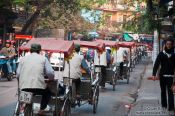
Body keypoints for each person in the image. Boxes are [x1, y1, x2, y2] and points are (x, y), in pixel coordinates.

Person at [17, 44, 54, 114]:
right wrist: (51, 79)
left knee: (27, 92)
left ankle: (23, 105)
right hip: (38, 88)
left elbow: (18, 74)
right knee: (48, 92)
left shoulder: (23, 59)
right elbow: (50, 73)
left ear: (30, 50)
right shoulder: (43, 59)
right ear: (39, 51)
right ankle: (42, 109)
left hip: (24, 87)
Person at [152, 38, 175, 112]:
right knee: (163, 91)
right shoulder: (162, 54)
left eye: (170, 44)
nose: (168, 45)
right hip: (162, 76)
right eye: (167, 44)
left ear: (172, 45)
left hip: (171, 76)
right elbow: (156, 64)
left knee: (170, 92)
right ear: (165, 44)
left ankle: (171, 107)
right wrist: (154, 74)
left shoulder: (174, 54)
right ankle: (164, 105)